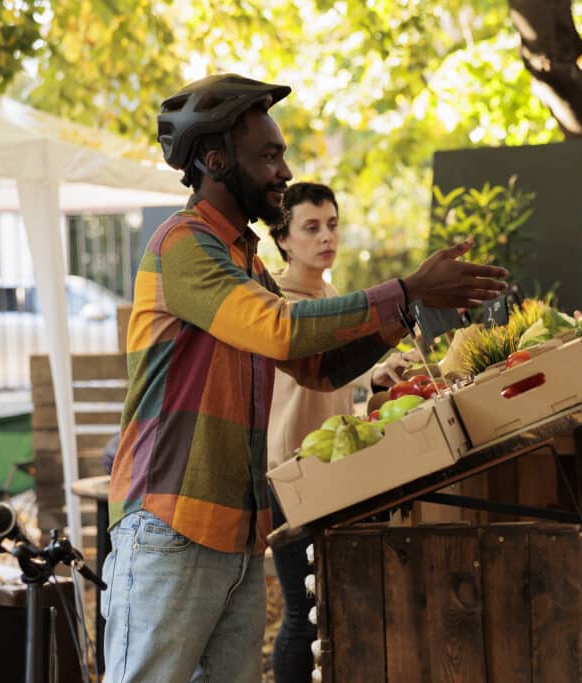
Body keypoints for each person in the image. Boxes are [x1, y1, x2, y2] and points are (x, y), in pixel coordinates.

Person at [102, 73, 507, 682]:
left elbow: (317, 368)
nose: (284, 171)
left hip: (237, 539)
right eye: (269, 156)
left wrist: (410, 307)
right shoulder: (182, 243)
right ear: (215, 160)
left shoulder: (245, 260)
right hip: (171, 527)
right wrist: (407, 288)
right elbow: (279, 329)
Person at [264, 181, 418, 682]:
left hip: (335, 471)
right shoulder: (274, 300)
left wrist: (374, 373)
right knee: (302, 615)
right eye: (311, 227)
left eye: (332, 224)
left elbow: (329, 371)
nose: (326, 236)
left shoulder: (329, 293)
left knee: (332, 609)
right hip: (290, 474)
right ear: (283, 238)